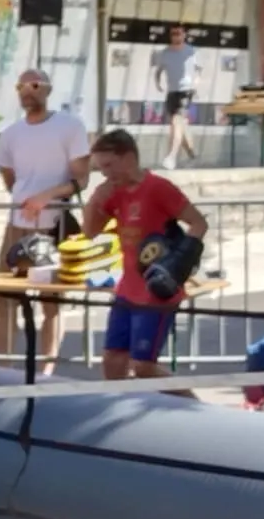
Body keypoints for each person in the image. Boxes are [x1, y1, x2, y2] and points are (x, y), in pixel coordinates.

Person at [82, 129, 209, 383]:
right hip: (127, 290)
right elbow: (90, 232)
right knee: (112, 361)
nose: (105, 173)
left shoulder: (158, 188)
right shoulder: (113, 192)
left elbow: (198, 223)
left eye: (109, 165)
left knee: (144, 367)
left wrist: (179, 265)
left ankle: (191, 403)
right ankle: (120, 412)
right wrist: (94, 202)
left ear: (129, 158)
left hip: (156, 291)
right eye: (100, 168)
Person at [0, 69, 90, 376]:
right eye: (20, 85)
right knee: (6, 296)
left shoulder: (70, 127)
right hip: (18, 223)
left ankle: (46, 369)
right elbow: (10, 179)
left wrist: (47, 195)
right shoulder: (10, 134)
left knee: (51, 301)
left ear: (47, 89)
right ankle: (4, 366)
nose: (27, 91)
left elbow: (81, 180)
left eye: (34, 85)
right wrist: (27, 199)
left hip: (53, 223)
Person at [153, 23, 198, 167]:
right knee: (181, 125)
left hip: (186, 91)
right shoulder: (165, 53)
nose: (176, 37)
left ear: (184, 35)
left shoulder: (191, 51)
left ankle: (171, 156)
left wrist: (195, 85)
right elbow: (159, 70)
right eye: (173, 34)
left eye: (179, 33)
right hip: (172, 91)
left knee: (175, 121)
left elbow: (198, 71)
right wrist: (158, 83)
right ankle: (192, 153)